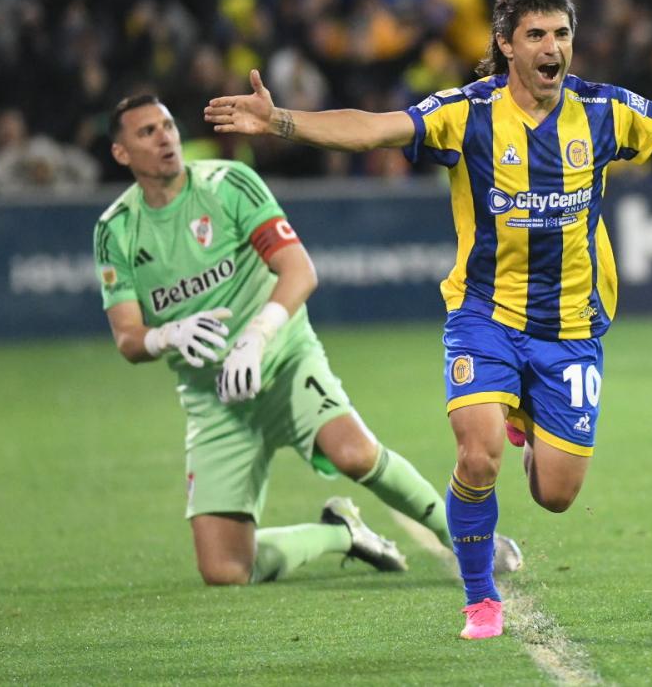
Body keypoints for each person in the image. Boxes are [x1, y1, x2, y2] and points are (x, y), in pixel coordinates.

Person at [206, 0, 652, 639]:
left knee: (555, 494)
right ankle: (479, 597)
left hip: (572, 327)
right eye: (537, 35)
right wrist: (281, 120)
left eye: (562, 34)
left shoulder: (604, 111)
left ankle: (524, 413)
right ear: (506, 45)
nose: (553, 47)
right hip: (484, 317)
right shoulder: (465, 114)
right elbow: (375, 131)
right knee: (478, 455)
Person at [94, 94, 520, 587]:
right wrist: (167, 334)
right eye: (146, 132)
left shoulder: (228, 184)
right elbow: (127, 338)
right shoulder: (116, 230)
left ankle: (465, 539)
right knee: (225, 571)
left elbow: (299, 270)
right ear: (121, 153)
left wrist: (256, 336)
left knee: (355, 454)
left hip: (282, 359)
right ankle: (341, 534)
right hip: (214, 399)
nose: (164, 137)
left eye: (167, 125)